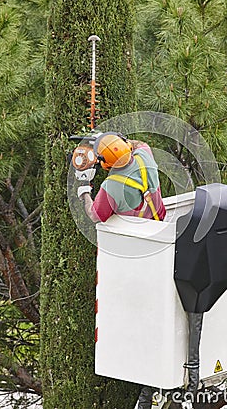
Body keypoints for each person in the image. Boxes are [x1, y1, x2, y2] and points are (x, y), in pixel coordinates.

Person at [76, 132, 165, 409]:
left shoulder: (112, 186)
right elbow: (138, 144)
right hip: (158, 230)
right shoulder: (145, 157)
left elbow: (95, 216)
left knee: (130, 311)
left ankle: (143, 380)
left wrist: (84, 190)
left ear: (104, 164)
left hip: (133, 245)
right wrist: (105, 140)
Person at [76, 131, 166, 223]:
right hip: (158, 223)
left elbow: (94, 216)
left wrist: (84, 192)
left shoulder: (110, 186)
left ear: (104, 162)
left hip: (136, 233)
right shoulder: (144, 154)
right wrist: (111, 140)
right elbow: (139, 144)